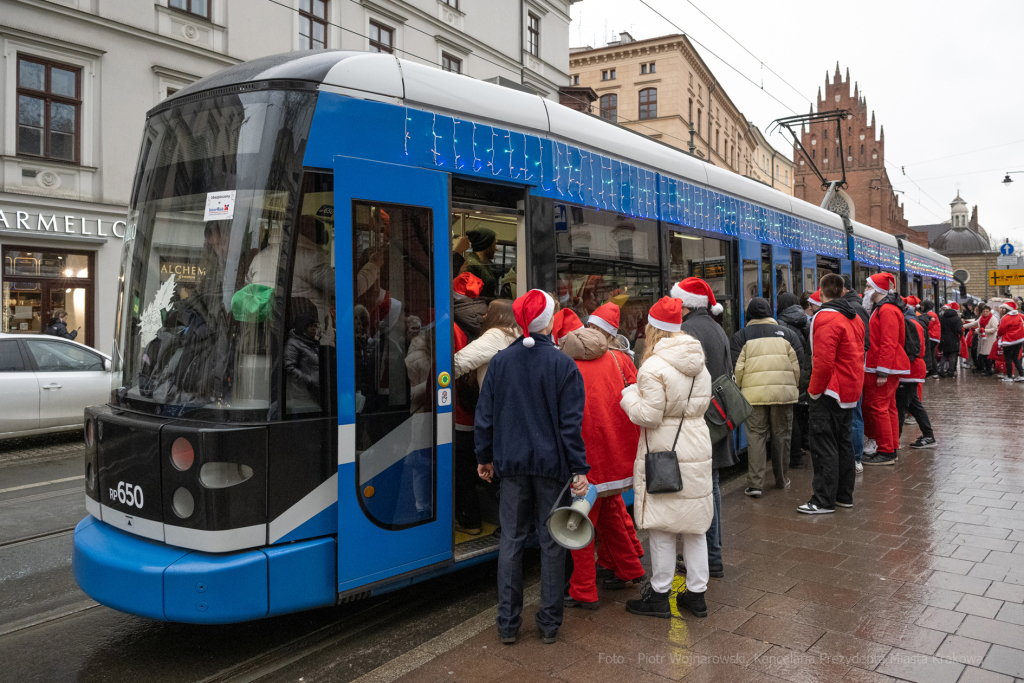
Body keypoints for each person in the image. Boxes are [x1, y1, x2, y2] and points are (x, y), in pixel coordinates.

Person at [475, 289, 588, 645]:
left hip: (511, 465)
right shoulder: (562, 364)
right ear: (548, 321)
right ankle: (549, 624)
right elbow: (571, 425)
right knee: (552, 542)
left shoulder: (500, 362)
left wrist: (484, 457)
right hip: (553, 469)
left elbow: (485, 417)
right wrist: (579, 468)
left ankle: (507, 625)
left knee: (511, 541)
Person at [619, 297, 713, 619]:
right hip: (697, 445)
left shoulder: (653, 367)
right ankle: (696, 595)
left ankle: (660, 595)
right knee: (694, 526)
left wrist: (629, 395)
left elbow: (649, 415)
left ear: (653, 328)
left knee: (662, 526)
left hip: (665, 449)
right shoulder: (699, 363)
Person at [559, 314, 644, 609]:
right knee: (610, 513)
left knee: (577, 526)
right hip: (618, 456)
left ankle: (584, 590)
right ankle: (630, 568)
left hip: (587, 462)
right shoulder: (618, 360)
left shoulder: (567, 366)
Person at [673, 277, 735, 579]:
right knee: (712, 487)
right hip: (717, 418)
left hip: (700, 421)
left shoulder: (686, 331)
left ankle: (709, 556)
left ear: (685, 304)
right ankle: (714, 553)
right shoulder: (715, 327)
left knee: (701, 491)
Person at [797, 274, 864, 514]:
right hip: (850, 389)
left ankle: (823, 500)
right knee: (843, 443)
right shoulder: (854, 317)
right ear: (843, 291)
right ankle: (844, 496)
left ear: (822, 292)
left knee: (824, 444)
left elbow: (823, 362)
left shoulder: (824, 318)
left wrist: (813, 391)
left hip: (829, 391)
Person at [730, 297, 804, 497]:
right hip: (783, 395)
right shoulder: (788, 334)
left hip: (753, 397)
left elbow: (737, 369)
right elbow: (798, 366)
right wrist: (792, 387)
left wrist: (741, 390)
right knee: (782, 436)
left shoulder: (741, 336)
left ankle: (755, 484)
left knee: (756, 437)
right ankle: (781, 480)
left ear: (749, 315)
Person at [861, 273, 910, 467]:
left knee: (879, 408)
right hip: (886, 367)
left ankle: (886, 450)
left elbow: (888, 342)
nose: (865, 290)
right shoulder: (887, 308)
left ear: (876, 289)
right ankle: (890, 447)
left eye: (867, 286)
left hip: (881, 368)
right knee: (888, 407)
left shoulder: (886, 310)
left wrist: (882, 371)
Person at [452, 273, 487, 535]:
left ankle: (470, 520)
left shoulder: (452, 325)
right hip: (480, 409)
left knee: (461, 469)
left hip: (459, 409)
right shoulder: (488, 322)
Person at [777, 291, 812, 471]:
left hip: (791, 376)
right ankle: (805, 445)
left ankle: (795, 457)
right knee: (802, 414)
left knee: (793, 419)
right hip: (806, 375)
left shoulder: (781, 324)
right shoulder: (807, 320)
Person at [896, 302, 937, 449]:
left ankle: (895, 441)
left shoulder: (909, 323)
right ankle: (928, 435)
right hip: (913, 368)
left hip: (909, 369)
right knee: (913, 405)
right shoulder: (916, 322)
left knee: (901, 406)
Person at [842, 275, 872, 471]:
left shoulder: (853, 308)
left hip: (852, 370)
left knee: (854, 414)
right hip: (853, 368)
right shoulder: (854, 306)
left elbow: (863, 343)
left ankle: (855, 458)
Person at [463, 228, 499, 299]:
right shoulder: (471, 265)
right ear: (486, 246)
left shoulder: (487, 263)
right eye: (494, 245)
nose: (496, 248)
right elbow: (471, 296)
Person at [965, 304, 999, 376]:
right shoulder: (981, 318)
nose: (985, 313)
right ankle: (984, 369)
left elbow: (994, 329)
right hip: (982, 340)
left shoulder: (993, 319)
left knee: (987, 356)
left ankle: (988, 370)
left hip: (989, 340)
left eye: (987, 311)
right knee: (981, 355)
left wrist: (984, 330)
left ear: (990, 311)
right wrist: (963, 326)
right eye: (984, 311)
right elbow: (974, 323)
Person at [997, 301, 1024, 382]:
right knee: (1016, 358)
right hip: (1019, 340)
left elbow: (1001, 330)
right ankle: (1021, 375)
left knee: (1008, 359)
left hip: (1008, 341)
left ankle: (1009, 377)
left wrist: (999, 335)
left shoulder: (1005, 318)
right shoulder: (1020, 315)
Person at [938, 302, 964, 377]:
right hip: (953, 339)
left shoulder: (942, 318)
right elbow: (959, 329)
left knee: (945, 355)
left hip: (944, 339)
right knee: (953, 355)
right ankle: (951, 371)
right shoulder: (957, 319)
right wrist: (961, 333)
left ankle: (941, 369)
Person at [920, 300, 942, 378]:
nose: (921, 307)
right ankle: (934, 371)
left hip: (931, 336)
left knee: (929, 354)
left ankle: (932, 371)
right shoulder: (933, 314)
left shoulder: (930, 315)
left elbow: (927, 325)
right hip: (934, 337)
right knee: (932, 355)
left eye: (923, 305)